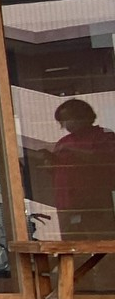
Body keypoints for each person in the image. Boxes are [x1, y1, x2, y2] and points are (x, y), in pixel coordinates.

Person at [51, 98, 115, 237]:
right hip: (67, 204)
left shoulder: (104, 135)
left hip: (96, 203)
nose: (67, 123)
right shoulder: (63, 141)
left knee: (102, 242)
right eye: (63, 120)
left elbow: (105, 158)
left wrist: (74, 151)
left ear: (83, 116)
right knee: (72, 245)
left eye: (69, 118)